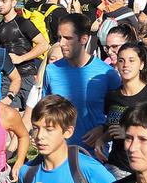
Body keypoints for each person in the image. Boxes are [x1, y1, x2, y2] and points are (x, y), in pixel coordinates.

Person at [40, 11, 120, 147]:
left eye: (68, 38)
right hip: (59, 151)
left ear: (84, 39)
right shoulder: (51, 70)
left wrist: (104, 129)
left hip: (93, 152)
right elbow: (46, 110)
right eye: (59, 37)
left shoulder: (106, 73)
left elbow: (120, 109)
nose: (61, 43)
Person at [100, 40, 147, 170]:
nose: (126, 65)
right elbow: (111, 128)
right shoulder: (112, 96)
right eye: (121, 60)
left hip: (142, 169)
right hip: (115, 165)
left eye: (131, 60)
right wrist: (101, 139)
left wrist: (129, 134)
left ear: (141, 64)